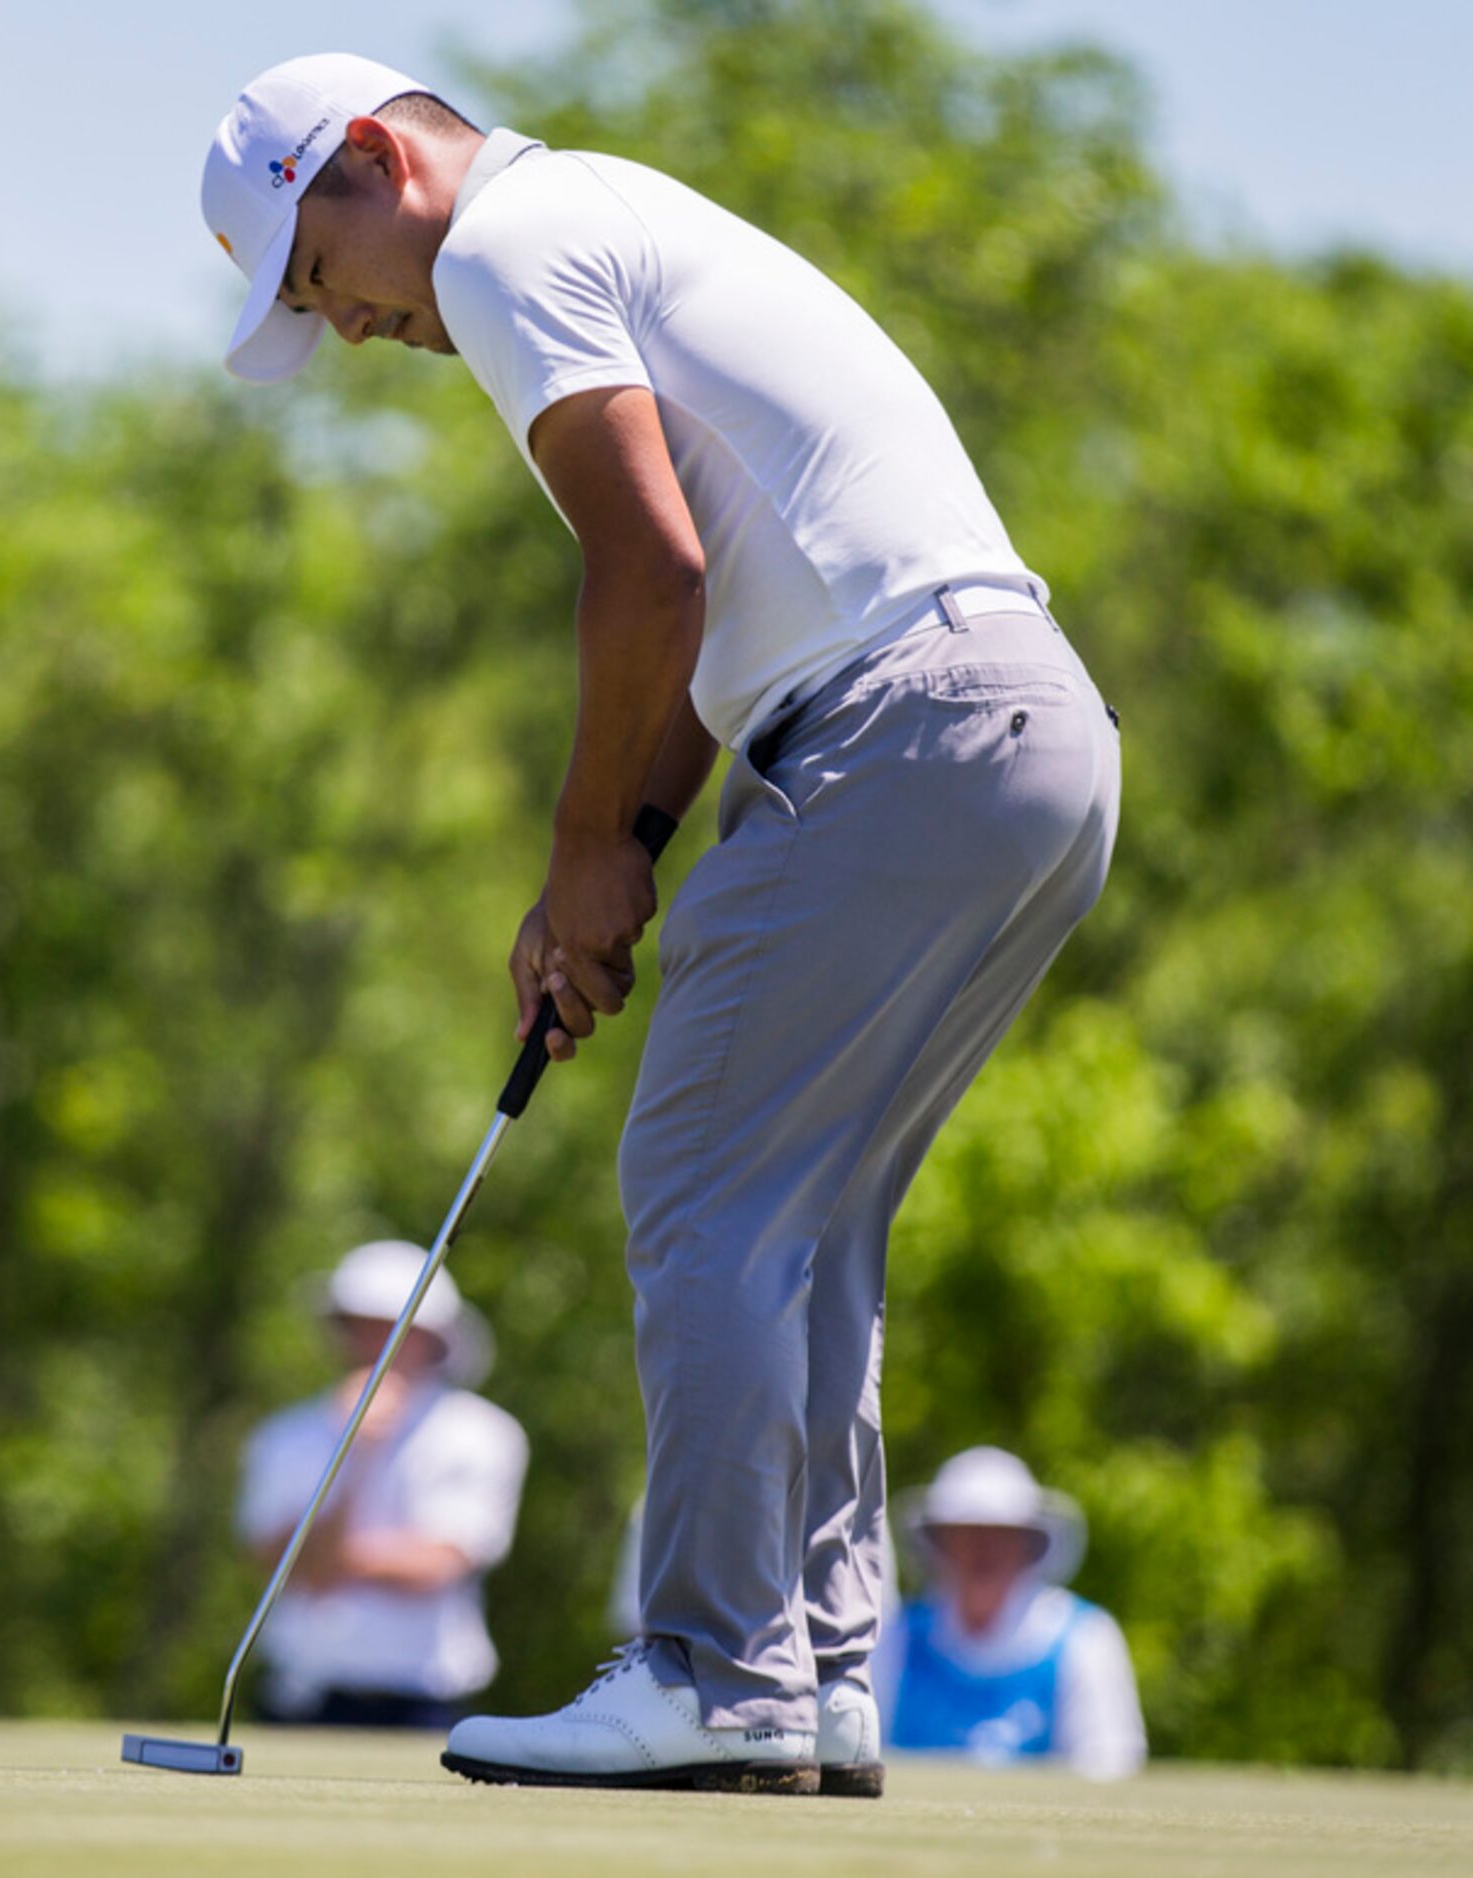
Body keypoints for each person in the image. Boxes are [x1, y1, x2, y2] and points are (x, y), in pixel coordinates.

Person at [200, 55, 1121, 1795]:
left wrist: (571, 850)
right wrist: (621, 843)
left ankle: (716, 1665)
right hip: (1023, 734)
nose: (344, 330)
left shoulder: (502, 238)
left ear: (374, 163)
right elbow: (711, 613)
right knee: (800, 1221)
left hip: (897, 727)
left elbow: (651, 571)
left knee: (699, 1192)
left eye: (322, 283)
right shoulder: (607, 215)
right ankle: (821, 1669)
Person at [236, 1240, 529, 1729]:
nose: (377, 1343)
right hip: (297, 1696)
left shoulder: (484, 1435)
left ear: (434, 1338)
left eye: (396, 1329)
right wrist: (357, 1454)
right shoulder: (284, 1435)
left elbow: (437, 1565)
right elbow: (272, 1559)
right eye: (361, 1325)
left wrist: (326, 1557)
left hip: (421, 1704)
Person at [878, 1446, 1146, 1779]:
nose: (983, 1550)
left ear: (1029, 1545)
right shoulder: (896, 1637)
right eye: (967, 1533)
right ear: (940, 1543)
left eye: (1001, 1535)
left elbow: (1110, 1770)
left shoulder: (1085, 1638)